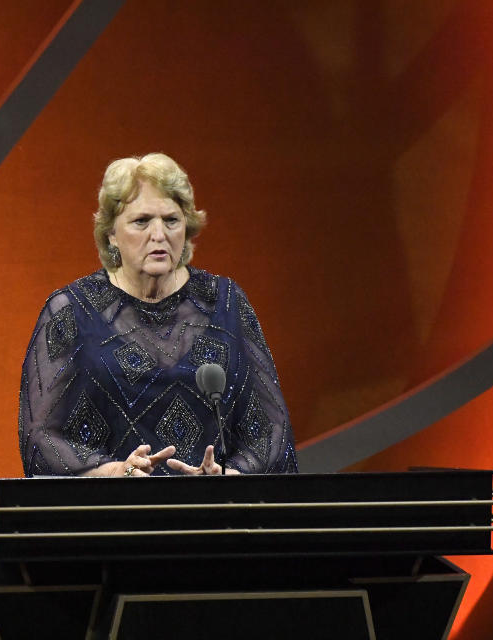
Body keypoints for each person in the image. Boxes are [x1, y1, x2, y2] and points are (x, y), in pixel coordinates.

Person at [18, 153, 297, 477]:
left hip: (214, 518)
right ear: (111, 233)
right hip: (114, 518)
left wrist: (228, 477)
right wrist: (114, 471)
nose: (159, 234)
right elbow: (41, 436)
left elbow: (273, 428)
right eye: (142, 221)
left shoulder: (226, 302)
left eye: (171, 220)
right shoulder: (71, 311)